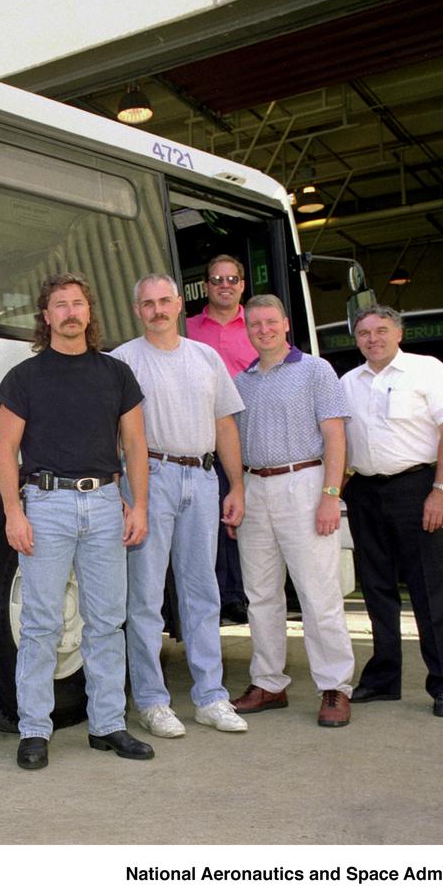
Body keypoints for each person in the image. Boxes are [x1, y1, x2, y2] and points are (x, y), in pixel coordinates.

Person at [0, 270, 153, 770]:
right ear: (46, 317)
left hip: (106, 504)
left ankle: (107, 725)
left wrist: (139, 504)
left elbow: (134, 446)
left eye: (76, 303)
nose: (69, 312)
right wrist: (13, 512)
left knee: (106, 622)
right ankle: (35, 731)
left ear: (89, 312)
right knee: (41, 623)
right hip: (48, 505)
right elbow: (5, 450)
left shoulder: (115, 374)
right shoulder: (24, 378)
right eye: (59, 305)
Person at [111, 273, 248, 739]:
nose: (157, 310)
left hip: (204, 478)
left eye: (165, 300)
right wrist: (122, 496)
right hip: (149, 478)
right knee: (146, 597)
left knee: (202, 592)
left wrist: (237, 486)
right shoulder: (123, 361)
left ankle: (211, 697)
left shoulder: (206, 357)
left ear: (178, 306)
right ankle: (151, 701)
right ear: (137, 311)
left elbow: (225, 425)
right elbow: (112, 435)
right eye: (147, 303)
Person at [340, 306, 443, 718]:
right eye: (363, 332)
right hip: (364, 491)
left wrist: (440, 491)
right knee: (376, 590)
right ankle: (383, 679)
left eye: (381, 330)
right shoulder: (347, 383)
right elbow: (341, 445)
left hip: (417, 488)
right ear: (356, 339)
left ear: (399, 333)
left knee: (431, 591)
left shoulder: (426, 369)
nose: (373, 338)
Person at [229, 294, 355, 727]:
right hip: (255, 487)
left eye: (270, 321)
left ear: (286, 324)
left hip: (305, 484)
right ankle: (269, 683)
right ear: (246, 329)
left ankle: (335, 687)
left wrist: (330, 495)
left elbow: (335, 436)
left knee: (318, 593)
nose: (262, 329)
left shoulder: (316, 370)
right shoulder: (241, 382)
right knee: (260, 595)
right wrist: (238, 493)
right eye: (254, 324)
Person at [186, 254, 257, 624]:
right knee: (212, 517)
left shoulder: (258, 326)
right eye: (217, 279)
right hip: (205, 434)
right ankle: (219, 594)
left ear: (242, 285)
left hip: (251, 434)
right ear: (206, 286)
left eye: (232, 279)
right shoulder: (188, 329)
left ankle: (241, 595)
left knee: (245, 517)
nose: (225, 285)